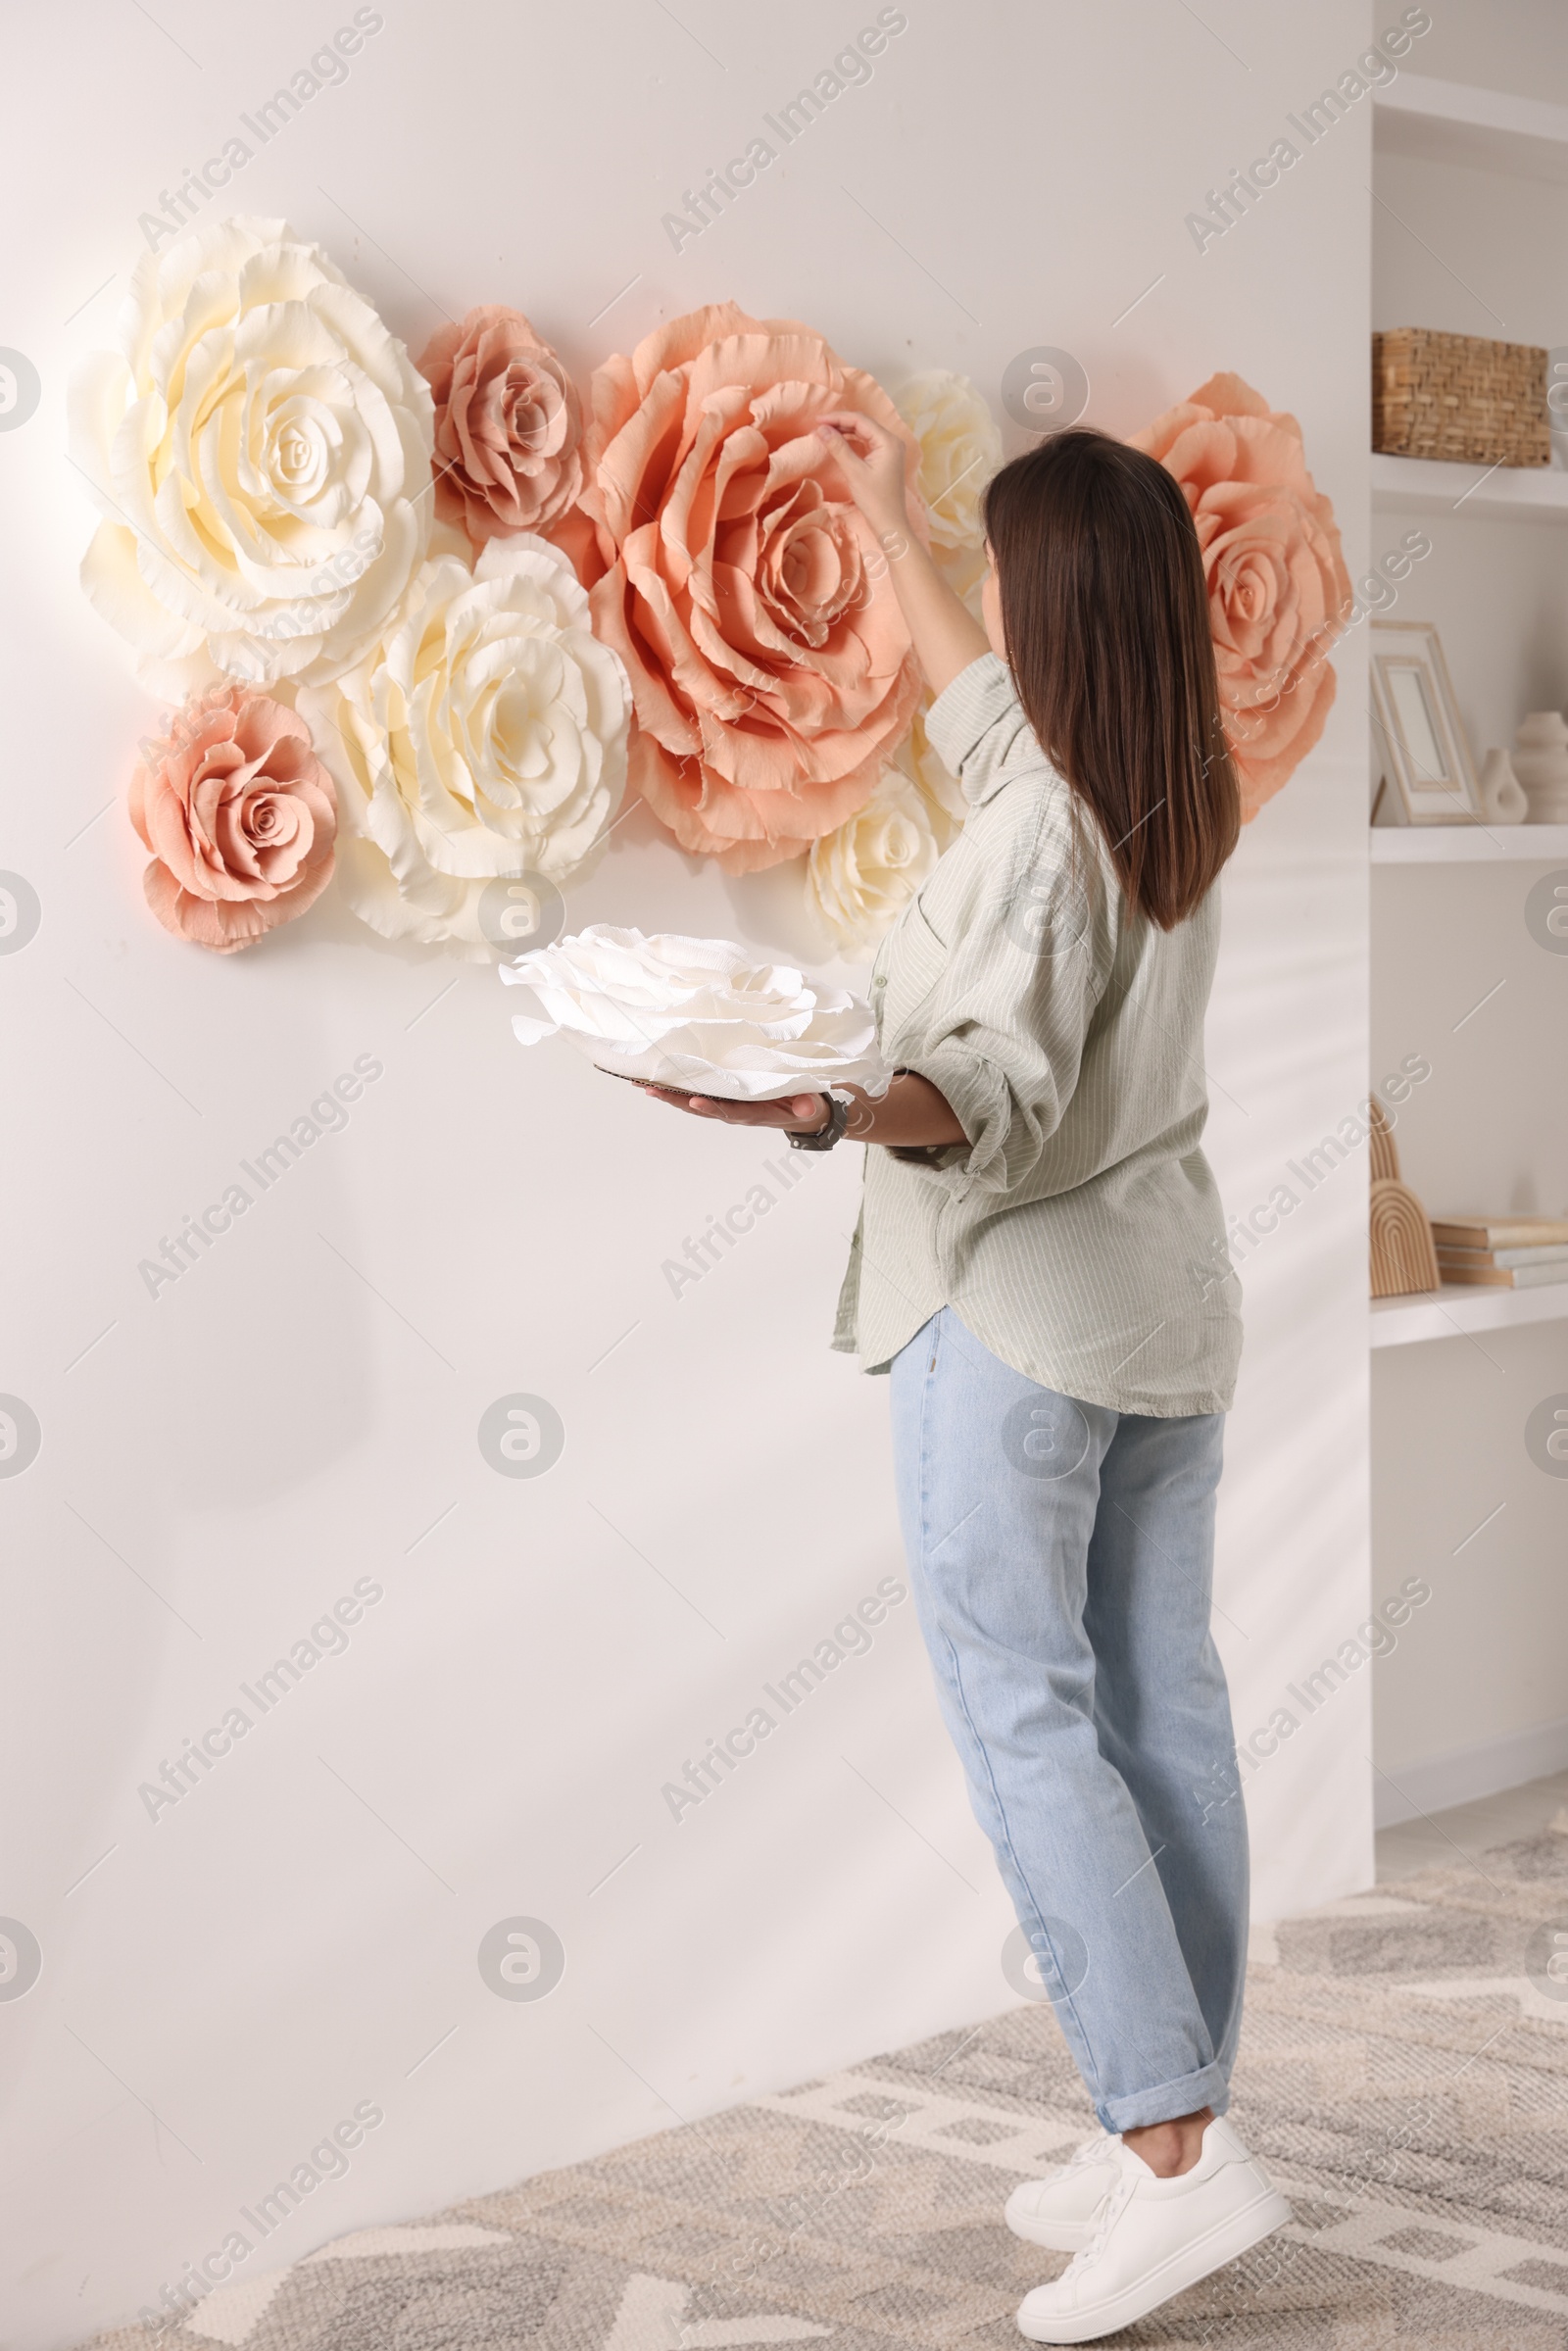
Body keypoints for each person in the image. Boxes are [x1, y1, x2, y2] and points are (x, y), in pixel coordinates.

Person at [639, 411, 1292, 2343]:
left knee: (1024, 1716)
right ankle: (1160, 2120)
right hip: (1163, 1318)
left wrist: (810, 1101)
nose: (982, 599)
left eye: (1002, 566)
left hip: (1012, 1328)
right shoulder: (1169, 787)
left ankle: (1170, 2149)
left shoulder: (1033, 840)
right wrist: (859, 505)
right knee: (1157, 1707)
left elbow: (978, 1103)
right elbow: (977, 706)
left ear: (1058, 602)